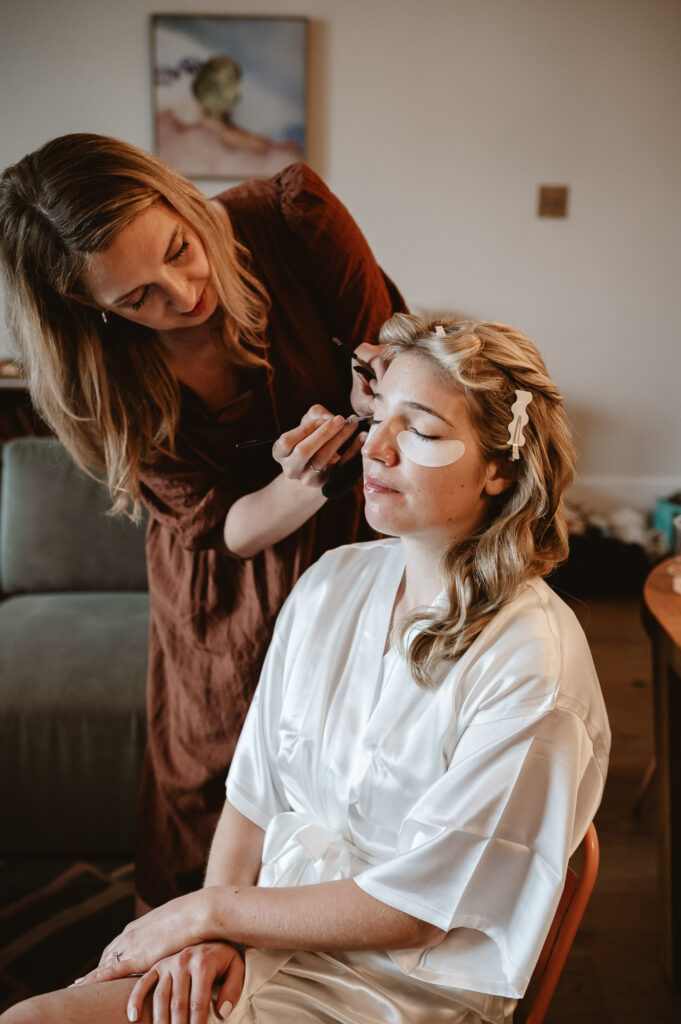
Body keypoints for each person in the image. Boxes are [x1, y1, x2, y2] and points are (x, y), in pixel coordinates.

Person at [1, 315, 610, 1024]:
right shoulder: (331, 582)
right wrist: (220, 933)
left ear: (500, 470)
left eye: (421, 431)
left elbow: (416, 909)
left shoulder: (531, 666)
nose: (374, 448)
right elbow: (253, 795)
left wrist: (209, 912)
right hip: (267, 931)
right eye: (378, 416)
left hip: (400, 986)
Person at [0, 134, 405, 908]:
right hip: (224, 584)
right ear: (88, 308)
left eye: (178, 250)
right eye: (135, 298)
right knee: (212, 780)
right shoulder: (100, 375)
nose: (181, 293)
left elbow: (392, 366)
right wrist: (304, 482)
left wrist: (372, 398)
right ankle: (192, 944)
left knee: (355, 770)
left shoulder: (292, 220)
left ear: (175, 196)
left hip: (356, 550)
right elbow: (227, 530)